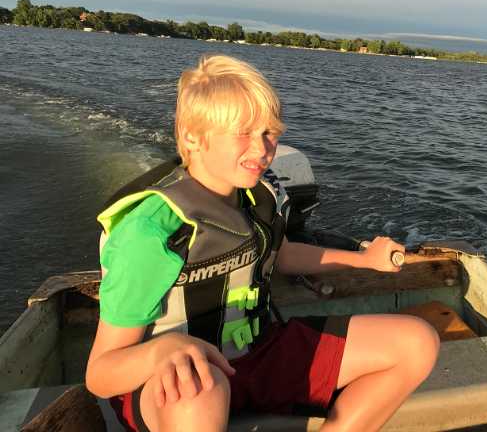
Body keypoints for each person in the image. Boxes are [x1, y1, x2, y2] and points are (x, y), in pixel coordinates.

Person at [85, 54, 440, 432]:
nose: (262, 150)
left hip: (258, 351)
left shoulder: (259, 196)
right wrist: (163, 350)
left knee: (417, 343)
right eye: (243, 133)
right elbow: (100, 375)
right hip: (179, 383)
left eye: (269, 133)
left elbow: (281, 255)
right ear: (192, 136)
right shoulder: (151, 231)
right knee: (198, 394)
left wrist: (364, 259)